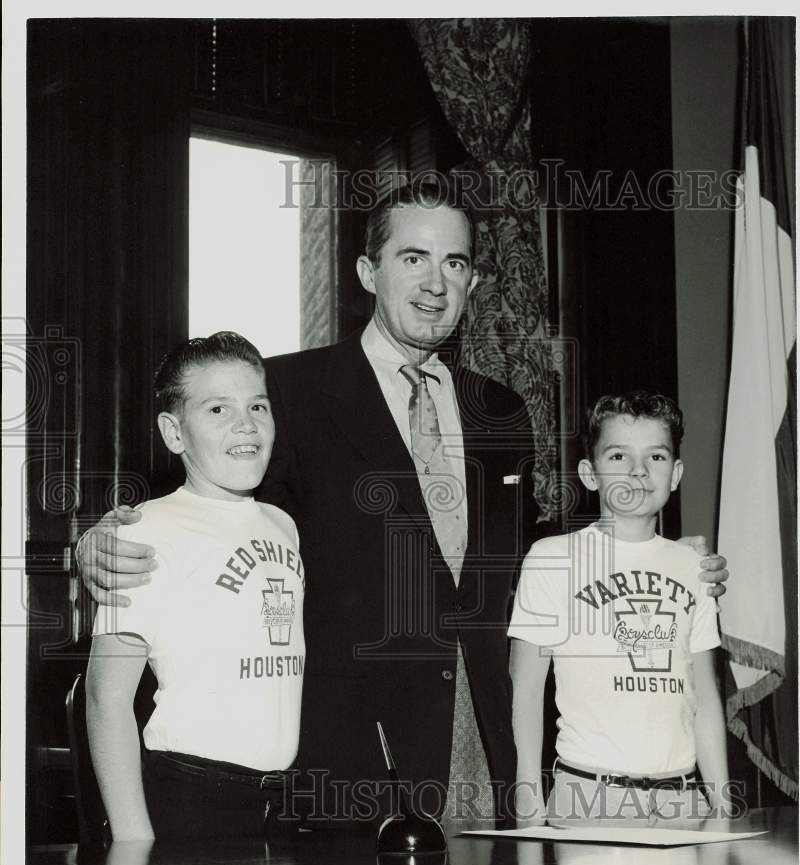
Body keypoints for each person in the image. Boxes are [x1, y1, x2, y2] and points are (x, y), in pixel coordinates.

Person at [78, 180, 728, 828]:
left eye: (455, 262)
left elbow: (531, 552)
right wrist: (98, 540)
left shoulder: (501, 409)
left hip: (489, 742)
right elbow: (218, 507)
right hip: (353, 764)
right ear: (368, 271)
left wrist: (657, 553)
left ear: (473, 283)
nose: (435, 282)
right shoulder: (288, 393)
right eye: (412, 257)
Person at [86, 332, 305, 840]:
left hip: (279, 800)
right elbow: (106, 700)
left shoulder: (283, 525)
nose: (246, 423)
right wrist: (133, 841)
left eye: (258, 405)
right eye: (217, 410)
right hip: (190, 796)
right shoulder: (144, 529)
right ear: (174, 432)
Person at [509, 391, 732, 826]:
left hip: (682, 799)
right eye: (618, 456)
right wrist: (528, 805)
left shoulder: (695, 567)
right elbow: (526, 691)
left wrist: (721, 804)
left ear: (676, 473)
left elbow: (703, 696)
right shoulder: (552, 558)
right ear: (590, 474)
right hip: (590, 795)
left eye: (656, 457)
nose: (638, 471)